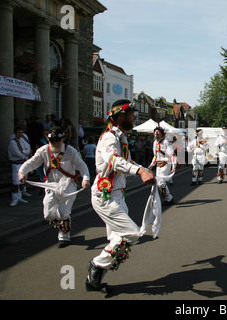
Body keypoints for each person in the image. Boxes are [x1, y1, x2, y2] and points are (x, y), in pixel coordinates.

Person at [86, 99, 156, 293]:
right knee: (132, 234)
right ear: (121, 116)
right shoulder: (109, 137)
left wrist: (146, 169)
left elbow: (127, 162)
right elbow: (114, 161)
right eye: (132, 114)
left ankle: (94, 280)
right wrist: (140, 172)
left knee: (117, 240)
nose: (135, 118)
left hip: (117, 195)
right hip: (105, 196)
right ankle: (96, 265)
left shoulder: (121, 137)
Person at [18, 126, 91, 248]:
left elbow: (81, 165)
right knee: (48, 215)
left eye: (58, 140)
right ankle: (64, 222)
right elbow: (32, 162)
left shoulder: (70, 150)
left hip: (68, 184)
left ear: (62, 140)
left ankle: (64, 236)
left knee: (63, 212)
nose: (55, 143)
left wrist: (86, 179)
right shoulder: (43, 151)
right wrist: (22, 172)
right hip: (51, 184)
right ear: (48, 140)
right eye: (52, 141)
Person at [148, 126, 176, 205]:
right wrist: (151, 165)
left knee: (161, 183)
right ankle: (167, 199)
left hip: (165, 164)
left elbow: (172, 155)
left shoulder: (165, 142)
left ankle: (169, 198)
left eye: (158, 132)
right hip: (158, 166)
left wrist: (174, 166)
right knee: (158, 183)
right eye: (155, 132)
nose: (156, 133)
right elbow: (155, 156)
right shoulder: (155, 143)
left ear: (162, 134)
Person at [8, 127, 32, 207]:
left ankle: (19, 196)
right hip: (16, 163)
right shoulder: (13, 142)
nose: (20, 134)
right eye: (19, 132)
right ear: (15, 133)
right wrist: (24, 153)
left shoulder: (22, 140)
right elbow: (17, 153)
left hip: (23, 163)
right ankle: (14, 198)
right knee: (16, 182)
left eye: (21, 132)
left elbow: (28, 149)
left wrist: (24, 151)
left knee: (22, 180)